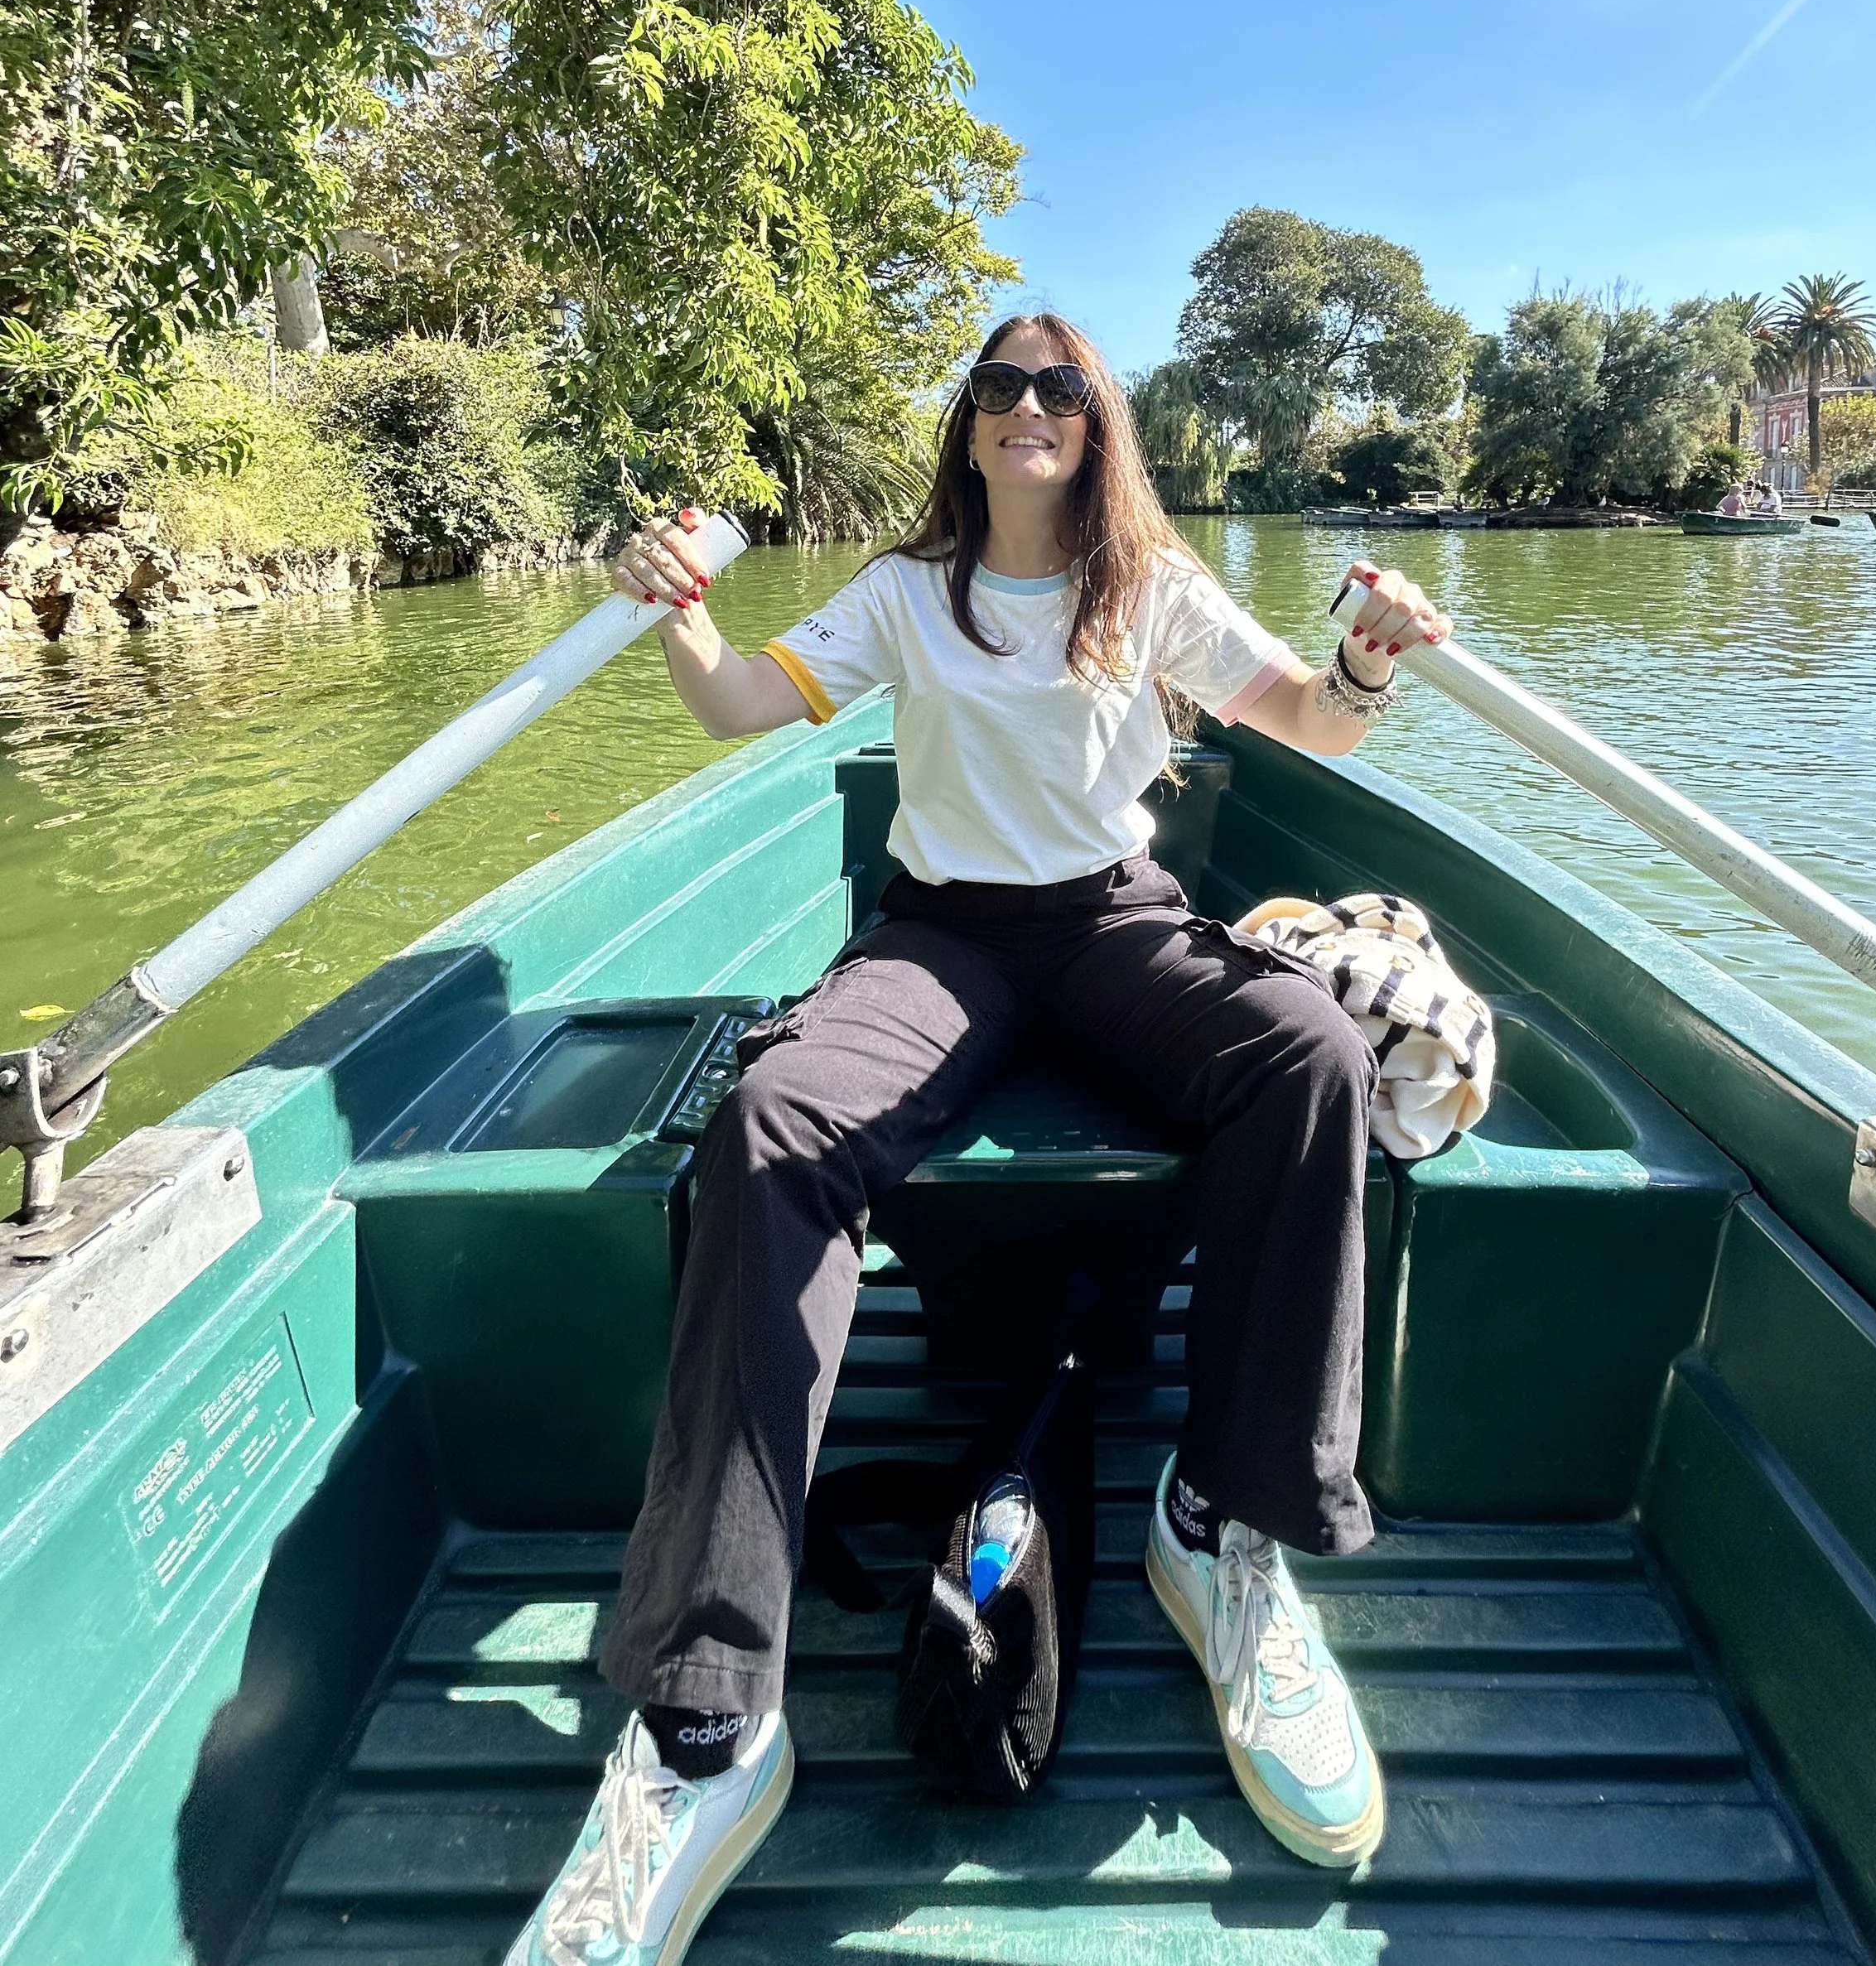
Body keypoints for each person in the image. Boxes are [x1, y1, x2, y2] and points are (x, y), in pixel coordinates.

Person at [505, 313, 1449, 1966]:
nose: (1028, 406)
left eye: (1060, 388)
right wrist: (681, 609)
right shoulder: (897, 594)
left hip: (1114, 929)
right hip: (939, 938)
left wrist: (1366, 661)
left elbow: (1309, 713)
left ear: (1095, 428)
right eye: (1001, 385)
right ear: (967, 426)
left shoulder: (1142, 589)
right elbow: (735, 707)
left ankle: (1223, 1526)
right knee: (774, 1118)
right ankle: (712, 1712)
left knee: (1302, 1049)